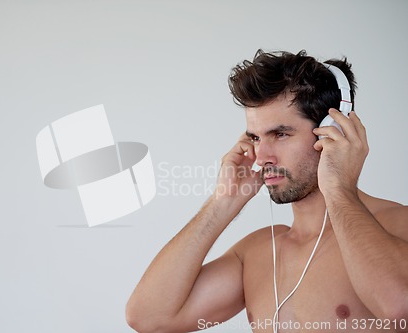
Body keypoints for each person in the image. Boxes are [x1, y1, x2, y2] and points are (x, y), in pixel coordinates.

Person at [125, 50, 408, 333]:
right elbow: (150, 318)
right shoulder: (258, 253)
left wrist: (339, 190)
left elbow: (400, 308)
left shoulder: (398, 225)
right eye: (256, 138)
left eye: (280, 134)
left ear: (332, 131)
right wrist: (223, 202)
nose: (262, 156)